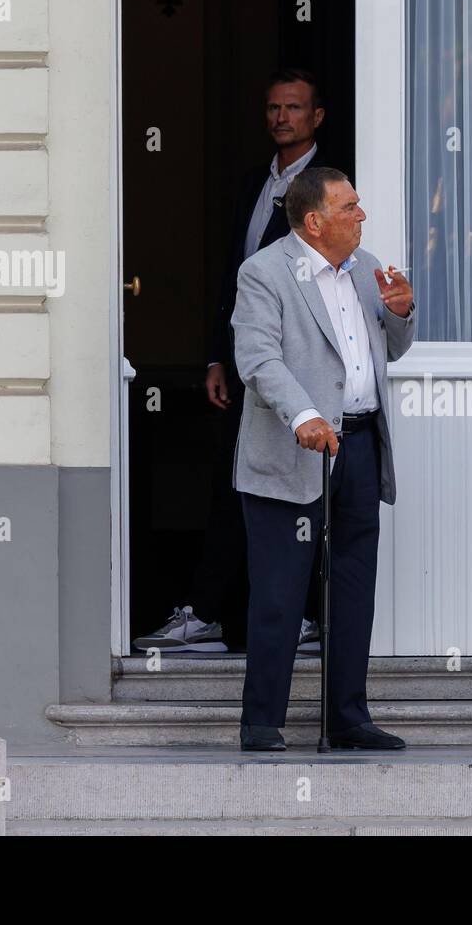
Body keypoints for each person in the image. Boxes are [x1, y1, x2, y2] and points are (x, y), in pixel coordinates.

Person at [133, 69, 328, 655]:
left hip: (304, 366)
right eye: (273, 107)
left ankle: (305, 617)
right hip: (250, 362)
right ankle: (210, 614)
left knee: (306, 490)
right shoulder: (252, 181)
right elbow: (234, 276)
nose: (281, 118)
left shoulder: (328, 187)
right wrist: (219, 356)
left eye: (293, 108)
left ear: (317, 117)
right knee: (236, 483)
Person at [231, 167, 416, 751]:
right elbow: (258, 359)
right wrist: (303, 415)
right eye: (350, 207)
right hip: (295, 451)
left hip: (358, 445)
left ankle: (348, 718)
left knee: (354, 588)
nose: (362, 216)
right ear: (315, 221)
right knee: (280, 593)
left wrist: (402, 313)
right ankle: (262, 722)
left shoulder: (366, 267)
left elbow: (389, 347)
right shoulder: (264, 273)